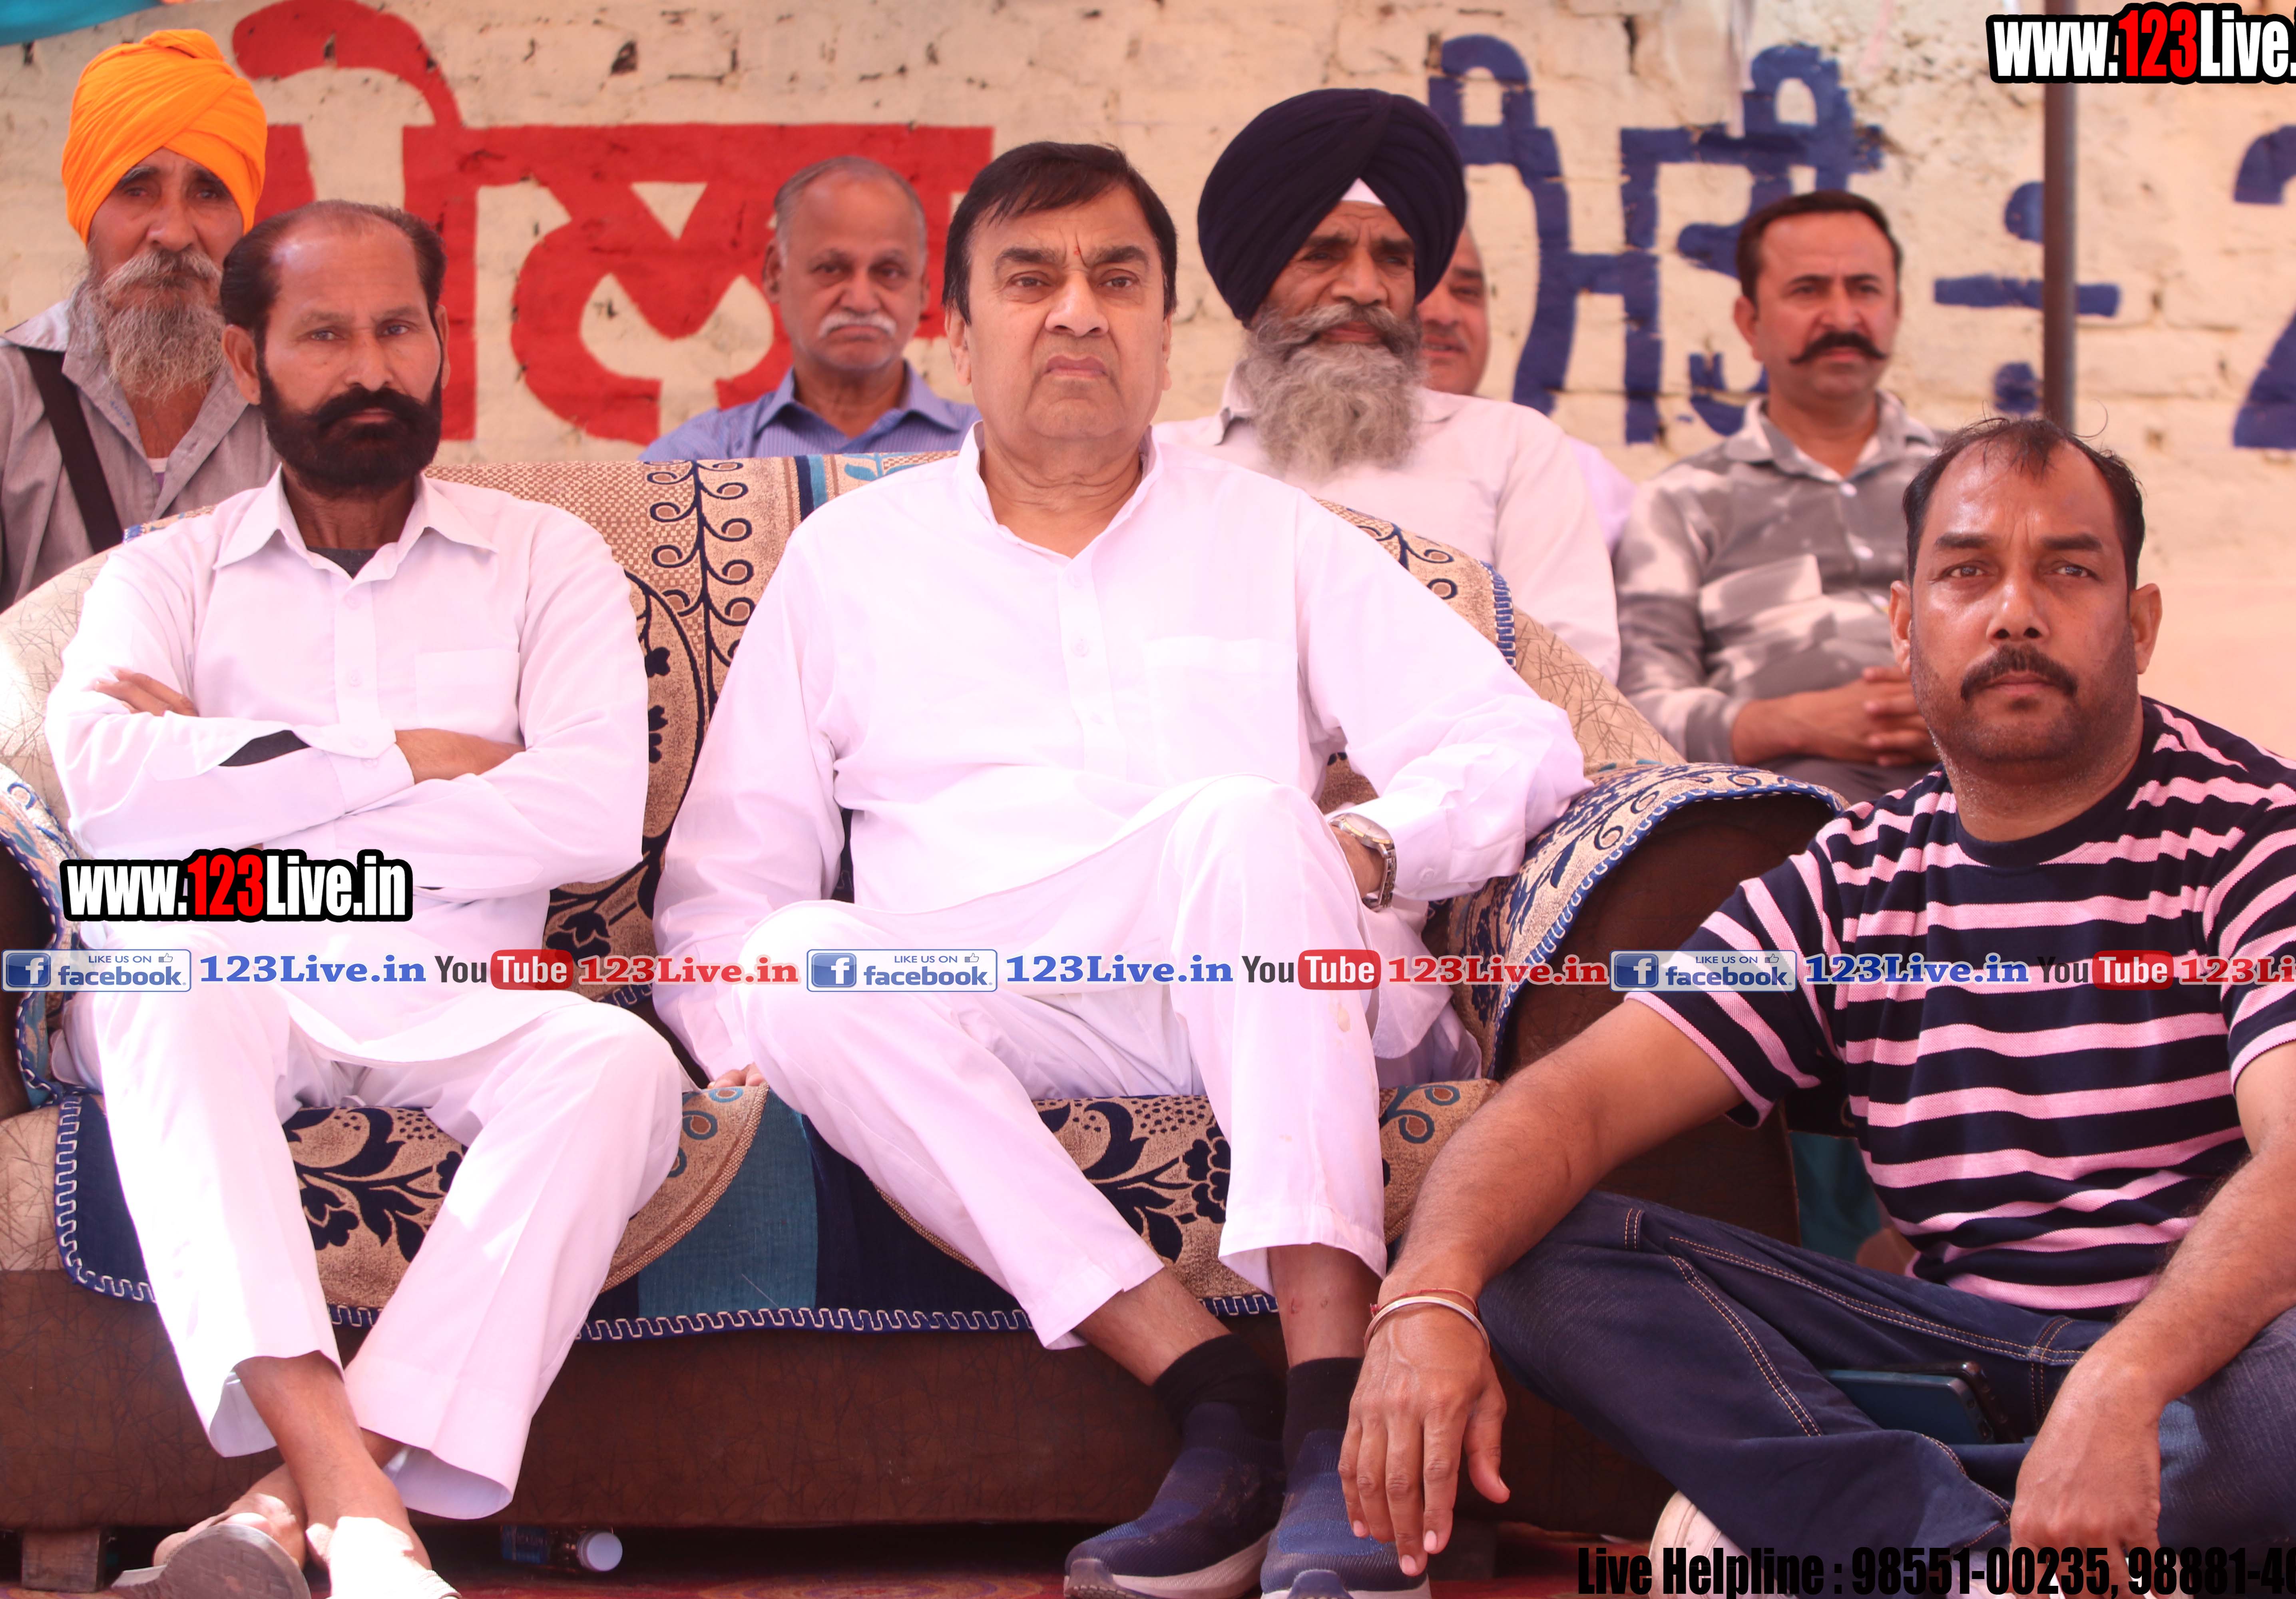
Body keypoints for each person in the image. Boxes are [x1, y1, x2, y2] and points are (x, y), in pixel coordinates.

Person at [651, 142, 1586, 1599]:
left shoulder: (1270, 533)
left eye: (1115, 278)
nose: (1075, 310)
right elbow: (721, 899)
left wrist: (1364, 844)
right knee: (788, 958)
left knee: (1245, 820)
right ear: (960, 333)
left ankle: (1325, 1404)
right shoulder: (850, 560)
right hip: (979, 1007)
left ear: (1164, 328)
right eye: (1030, 279)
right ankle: (1208, 1388)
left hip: (1251, 974)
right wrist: (804, 1051)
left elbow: (1514, 744)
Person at [1340, 416, 2296, 1558]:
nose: (2016, 612)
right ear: (1904, 623)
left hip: (2215, 1379)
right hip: (1978, 1363)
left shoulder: (2271, 833)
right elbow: (1570, 1103)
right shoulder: (1853, 876)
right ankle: (1966, 1559)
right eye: (1967, 572)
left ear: (2137, 625)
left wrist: (2127, 1380)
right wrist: (1427, 1296)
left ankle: (1874, 1540)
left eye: (2070, 570)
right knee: (1530, 1251)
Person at [46, 200, 685, 1599]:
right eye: (326, 336)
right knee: (159, 970)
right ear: (244, 359)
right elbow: (108, 798)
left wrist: (236, 778)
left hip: (453, 993)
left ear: (441, 342)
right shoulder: (168, 572)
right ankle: (368, 1520)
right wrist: (411, 755)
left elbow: (585, 815)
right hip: (222, 972)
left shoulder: (545, 559)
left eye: (400, 329)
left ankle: (287, 1513)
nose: (373, 368)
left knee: (621, 1068)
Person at [1155, 90, 1620, 680]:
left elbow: (1574, 680)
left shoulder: (1513, 448)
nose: (1365, 288)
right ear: (1256, 280)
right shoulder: (1162, 466)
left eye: (1394, 259)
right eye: (1323, 255)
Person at [1613, 188, 1943, 809]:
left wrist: (1964, 712)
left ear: (1897, 309)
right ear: (1750, 323)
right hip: (1773, 813)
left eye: (1865, 290)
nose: (1842, 317)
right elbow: (1638, 713)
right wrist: (1795, 723)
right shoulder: (1685, 503)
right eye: (1808, 291)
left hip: (1977, 797)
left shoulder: (1972, 480)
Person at [1, 30, 277, 604]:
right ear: (88, 210)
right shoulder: (11, 394)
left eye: (208, 193)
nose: (173, 234)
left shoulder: (294, 396)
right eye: (137, 189)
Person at [643, 154, 976, 461]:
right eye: (831, 269)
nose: (861, 301)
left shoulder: (986, 451)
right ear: (775, 273)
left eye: (889, 272)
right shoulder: (699, 460)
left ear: (923, 287)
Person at [1418, 226, 1635, 556]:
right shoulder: (1331, 468)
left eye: (1466, 292)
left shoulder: (1574, 469)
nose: (1444, 315)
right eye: (1420, 288)